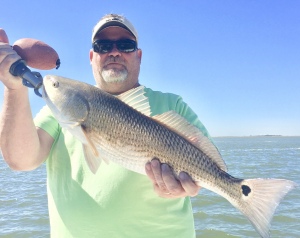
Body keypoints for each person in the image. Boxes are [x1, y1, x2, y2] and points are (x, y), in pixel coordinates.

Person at [0, 14, 212, 237]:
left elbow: (205, 163)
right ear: (92, 57)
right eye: (103, 46)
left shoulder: (173, 105)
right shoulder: (60, 107)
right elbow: (20, 160)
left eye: (125, 45)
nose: (114, 52)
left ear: (138, 56)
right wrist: (14, 89)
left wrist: (186, 187)